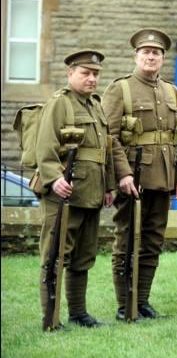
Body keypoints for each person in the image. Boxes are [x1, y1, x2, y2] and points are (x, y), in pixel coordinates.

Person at [102, 28, 177, 320]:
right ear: (136, 56)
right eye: (146, 52)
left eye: (156, 53)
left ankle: (142, 301)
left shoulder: (172, 91)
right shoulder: (121, 89)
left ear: (163, 58)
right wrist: (123, 174)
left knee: (153, 241)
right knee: (127, 239)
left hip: (163, 178)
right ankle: (123, 305)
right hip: (133, 179)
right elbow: (109, 136)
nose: (151, 57)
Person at [36, 50, 115, 329]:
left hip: (91, 193)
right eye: (85, 73)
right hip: (64, 193)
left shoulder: (96, 105)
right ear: (70, 73)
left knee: (83, 257)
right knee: (56, 255)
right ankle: (51, 317)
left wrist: (109, 186)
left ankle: (79, 313)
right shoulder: (60, 104)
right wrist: (53, 177)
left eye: (95, 74)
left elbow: (104, 150)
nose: (92, 78)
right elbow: (44, 146)